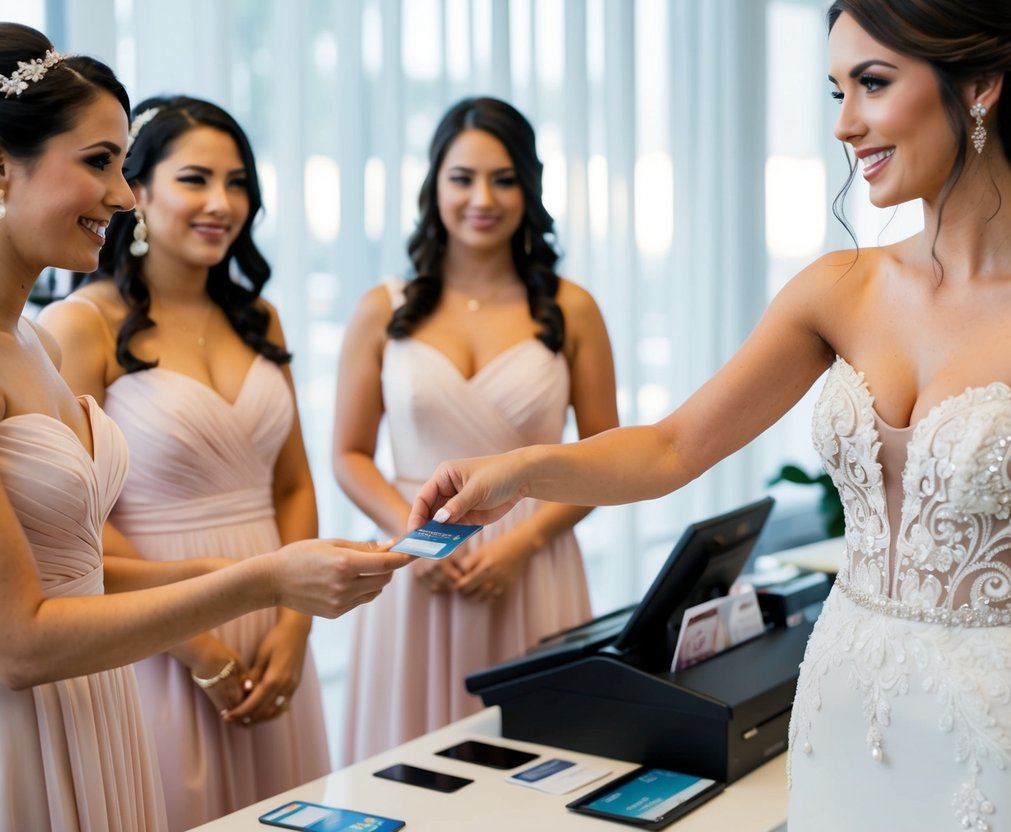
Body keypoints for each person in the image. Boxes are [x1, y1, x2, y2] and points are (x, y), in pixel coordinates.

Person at [407, 3, 1011, 830]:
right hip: (840, 725)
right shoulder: (837, 290)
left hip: (1006, 744)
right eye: (835, 91)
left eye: (872, 84)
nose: (846, 124)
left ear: (979, 88)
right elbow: (671, 448)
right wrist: (517, 470)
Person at [0, 24, 412, 830]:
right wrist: (253, 583)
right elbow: (21, 641)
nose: (121, 197)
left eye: (121, 166)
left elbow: (74, 564)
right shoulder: (73, 329)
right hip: (42, 716)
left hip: (100, 700)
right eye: (98, 163)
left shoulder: (25, 345)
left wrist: (273, 577)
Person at [40, 95, 332, 829]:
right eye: (196, 179)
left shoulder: (258, 317)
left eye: (237, 184)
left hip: (273, 622)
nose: (222, 203)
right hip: (155, 630)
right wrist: (196, 646)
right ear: (135, 190)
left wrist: (295, 626)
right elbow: (73, 521)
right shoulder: (82, 324)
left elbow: (292, 483)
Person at [334, 96, 619, 761]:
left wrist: (522, 545)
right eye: (462, 178)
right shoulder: (380, 309)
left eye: (503, 178)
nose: (481, 197)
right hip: (414, 560)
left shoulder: (572, 309)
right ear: (434, 185)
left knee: (540, 762)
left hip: (532, 563)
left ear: (529, 186)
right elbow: (348, 454)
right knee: (407, 766)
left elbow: (606, 460)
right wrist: (411, 538)